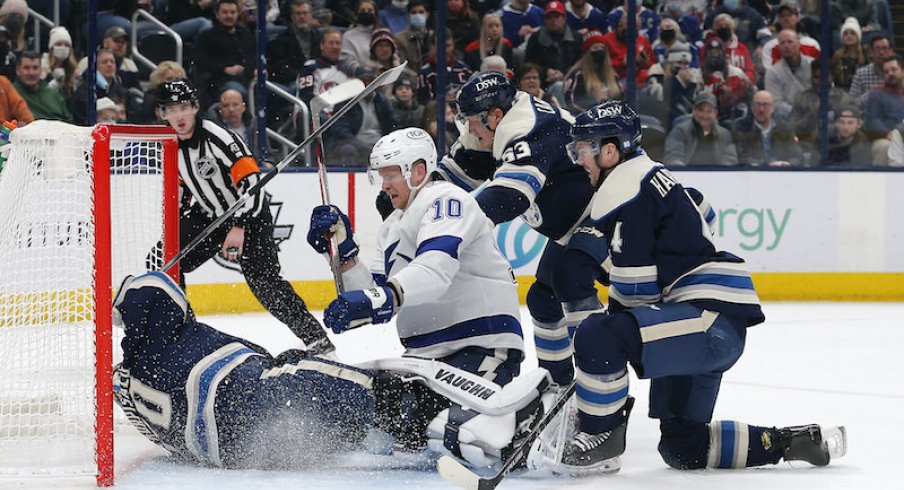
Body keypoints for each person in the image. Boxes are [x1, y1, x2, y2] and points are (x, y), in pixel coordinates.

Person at [556, 99, 848, 475]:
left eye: (582, 150)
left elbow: (633, 296)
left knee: (598, 334)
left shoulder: (624, 189)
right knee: (684, 447)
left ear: (609, 150)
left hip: (704, 323)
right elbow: (701, 209)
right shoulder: (650, 177)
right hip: (710, 323)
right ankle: (794, 441)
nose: (578, 159)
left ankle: (601, 439)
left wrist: (594, 366)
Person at [111, 270, 540, 468]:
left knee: (346, 417)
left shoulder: (128, 379)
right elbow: (157, 290)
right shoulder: (168, 338)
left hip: (244, 448)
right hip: (258, 403)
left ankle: (426, 430)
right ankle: (487, 432)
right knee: (383, 393)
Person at [306, 127, 526, 450]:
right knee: (391, 423)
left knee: (458, 433)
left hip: (479, 346)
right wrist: (341, 253)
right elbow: (380, 295)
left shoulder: (445, 199)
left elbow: (435, 270)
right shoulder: (393, 227)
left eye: (391, 174)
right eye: (381, 177)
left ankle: (526, 427)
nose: (385, 186)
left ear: (418, 171)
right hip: (424, 360)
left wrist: (380, 297)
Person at [439, 71, 597, 388]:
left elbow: (508, 197)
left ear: (495, 115)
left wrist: (453, 233)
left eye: (471, 121)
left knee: (570, 281)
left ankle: (597, 384)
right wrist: (402, 198)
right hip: (571, 228)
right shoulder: (492, 125)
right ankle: (559, 385)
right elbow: (450, 177)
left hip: (605, 215)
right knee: (542, 298)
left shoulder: (530, 127)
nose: (468, 129)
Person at [156, 78, 334, 355]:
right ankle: (182, 334)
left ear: (194, 108)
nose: (178, 116)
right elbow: (183, 187)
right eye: (171, 110)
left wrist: (239, 226)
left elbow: (253, 185)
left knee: (264, 283)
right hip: (210, 216)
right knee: (165, 260)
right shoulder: (169, 144)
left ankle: (318, 341)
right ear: (162, 114)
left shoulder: (218, 138)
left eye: (183, 107)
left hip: (250, 215)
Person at [664, 92, 738, 166]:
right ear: (694, 110)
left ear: (715, 113)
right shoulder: (679, 131)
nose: (705, 115)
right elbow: (673, 158)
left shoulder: (725, 135)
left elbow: (730, 160)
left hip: (716, 176)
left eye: (709, 111)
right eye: (701, 110)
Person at [732, 90, 803, 166]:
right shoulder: (741, 127)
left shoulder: (784, 128)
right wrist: (764, 166)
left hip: (780, 173)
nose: (761, 109)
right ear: (752, 108)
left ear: (773, 108)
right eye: (757, 104)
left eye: (765, 105)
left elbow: (797, 156)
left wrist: (785, 164)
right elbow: (741, 156)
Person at [562, 30, 622, 114]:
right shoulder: (579, 75)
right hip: (588, 120)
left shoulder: (612, 75)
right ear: (587, 52)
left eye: (602, 48)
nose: (599, 51)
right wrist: (592, 113)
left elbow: (620, 100)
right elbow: (572, 103)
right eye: (595, 48)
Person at [864, 56, 904, 166]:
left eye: (894, 69)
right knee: (883, 147)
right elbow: (872, 120)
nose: (890, 73)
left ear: (903, 71)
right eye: (886, 72)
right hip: (888, 138)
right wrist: (887, 133)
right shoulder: (877, 96)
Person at [12, 50, 72, 122]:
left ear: (41, 70)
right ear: (18, 70)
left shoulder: (53, 93)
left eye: (35, 68)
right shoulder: (11, 93)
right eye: (26, 68)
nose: (31, 73)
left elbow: (69, 121)